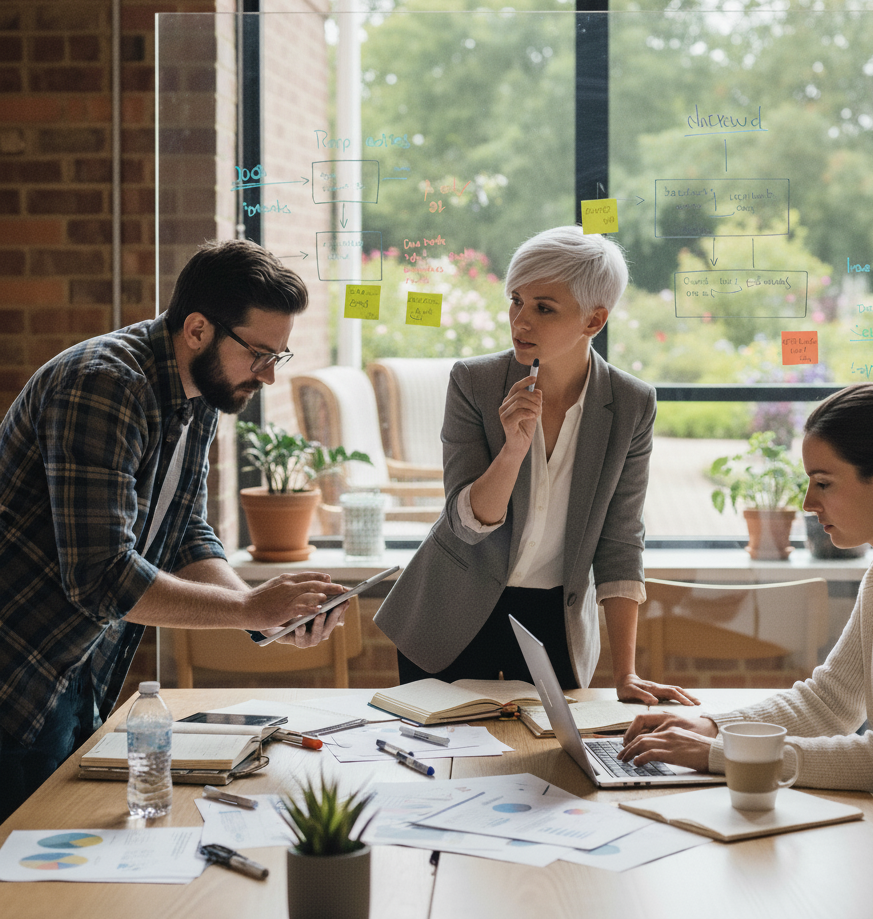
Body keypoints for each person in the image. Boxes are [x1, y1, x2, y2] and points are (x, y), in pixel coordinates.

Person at [619, 383, 873, 919]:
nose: (808, 503)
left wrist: (722, 755)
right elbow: (829, 701)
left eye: (823, 483)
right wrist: (713, 727)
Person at [0, 239, 345, 823]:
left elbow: (182, 528)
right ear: (197, 329)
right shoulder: (104, 384)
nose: (268, 376)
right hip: (17, 675)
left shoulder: (202, 391)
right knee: (22, 865)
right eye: (260, 354)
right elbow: (101, 578)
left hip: (75, 668)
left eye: (278, 356)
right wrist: (249, 609)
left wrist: (260, 614)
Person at [375, 226, 697, 706]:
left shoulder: (631, 403)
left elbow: (621, 538)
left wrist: (626, 674)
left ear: (594, 320)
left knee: (550, 750)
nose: (520, 321)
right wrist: (513, 449)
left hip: (555, 620)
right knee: (447, 751)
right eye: (516, 301)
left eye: (544, 308)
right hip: (452, 611)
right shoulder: (474, 382)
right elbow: (465, 524)